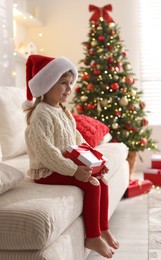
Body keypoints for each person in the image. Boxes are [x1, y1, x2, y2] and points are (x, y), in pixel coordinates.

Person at [23, 54, 119, 258]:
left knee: (101, 180)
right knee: (92, 185)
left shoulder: (63, 111)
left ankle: (103, 229)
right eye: (63, 83)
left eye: (70, 83)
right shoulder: (42, 113)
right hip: (46, 171)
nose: (69, 88)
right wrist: (74, 171)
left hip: (64, 165)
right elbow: (47, 153)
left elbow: (79, 141)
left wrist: (98, 163)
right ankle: (92, 237)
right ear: (47, 84)